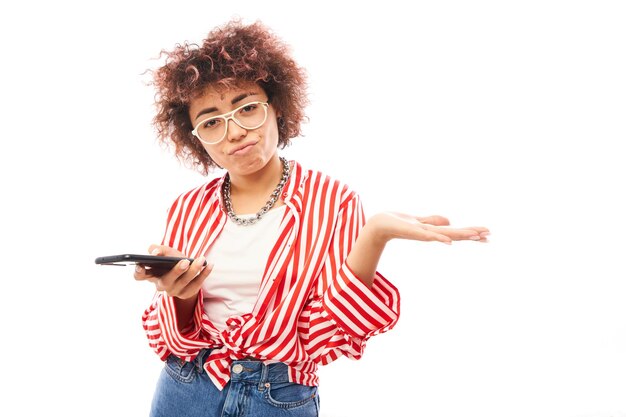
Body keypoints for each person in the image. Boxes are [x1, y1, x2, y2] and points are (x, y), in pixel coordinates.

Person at [134, 19, 489, 417]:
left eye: (247, 108)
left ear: (277, 107)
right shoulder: (187, 208)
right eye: (211, 121)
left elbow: (324, 332)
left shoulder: (332, 201)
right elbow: (174, 334)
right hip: (186, 387)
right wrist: (180, 296)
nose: (233, 132)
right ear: (195, 135)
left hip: (278, 396)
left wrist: (374, 236)